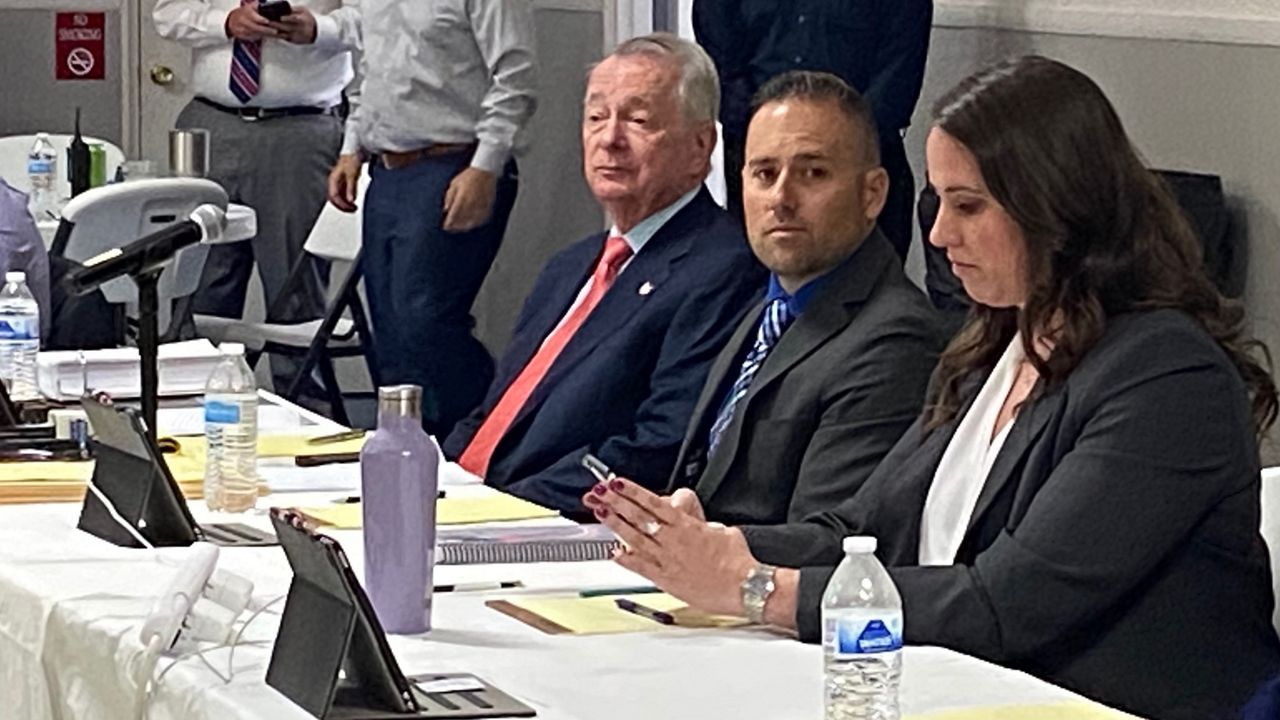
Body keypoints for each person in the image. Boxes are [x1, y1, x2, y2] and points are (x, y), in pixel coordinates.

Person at [585, 56, 1280, 720]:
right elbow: (862, 533)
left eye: (969, 206)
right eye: (939, 203)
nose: (941, 235)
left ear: (1055, 208)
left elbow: (1006, 603)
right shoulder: (993, 350)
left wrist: (756, 589)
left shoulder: (1165, 377)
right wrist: (714, 545)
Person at [443, 34, 766, 516]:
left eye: (638, 120)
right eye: (596, 117)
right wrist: (435, 479)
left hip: (552, 527)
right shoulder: (570, 265)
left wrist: (495, 509)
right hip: (468, 505)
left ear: (701, 147)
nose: (609, 139)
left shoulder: (723, 268)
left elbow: (657, 448)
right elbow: (496, 414)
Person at [666, 71, 943, 526]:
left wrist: (696, 543)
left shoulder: (897, 340)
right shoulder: (771, 305)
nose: (781, 198)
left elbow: (829, 540)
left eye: (812, 173)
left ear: (872, 194)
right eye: (764, 173)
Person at [327, 0, 536, 437]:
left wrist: (486, 166)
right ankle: (406, 448)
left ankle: (486, 434)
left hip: (454, 163)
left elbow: (514, 76)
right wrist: (352, 146)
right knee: (391, 329)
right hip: (387, 167)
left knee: (425, 320)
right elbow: (369, 73)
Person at [153, 0, 358, 391]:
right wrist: (225, 22)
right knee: (200, 279)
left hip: (300, 127)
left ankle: (299, 407)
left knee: (293, 288)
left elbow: (371, 19)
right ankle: (198, 400)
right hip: (212, 123)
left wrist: (318, 29)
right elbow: (167, 13)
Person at [692, 0, 932, 260]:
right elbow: (719, 62)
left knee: (867, 284)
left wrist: (827, 146)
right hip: (759, 153)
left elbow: (895, 82)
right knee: (759, 279)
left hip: (857, 161)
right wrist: (767, 130)